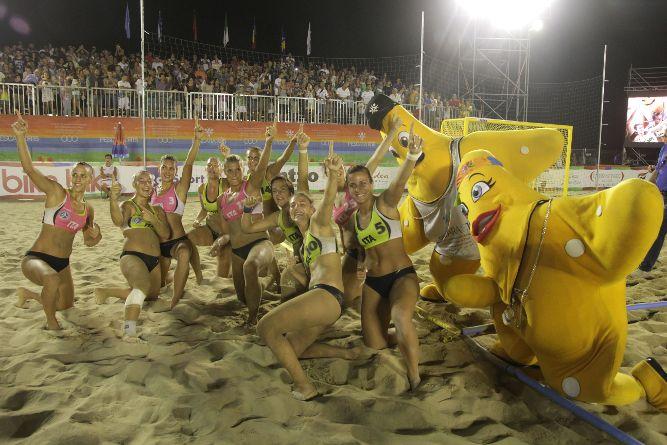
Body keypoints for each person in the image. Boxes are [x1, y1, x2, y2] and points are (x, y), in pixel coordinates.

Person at [257, 153, 360, 401]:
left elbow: (327, 201)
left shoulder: (318, 224)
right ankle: (346, 354)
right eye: (293, 205)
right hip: (325, 301)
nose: (296, 207)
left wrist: (333, 175)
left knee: (265, 328)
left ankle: (305, 387)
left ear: (312, 209)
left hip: (326, 295)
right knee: (291, 350)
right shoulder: (304, 244)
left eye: (302, 203)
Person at [348, 122, 423, 390]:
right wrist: (361, 264)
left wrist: (411, 155)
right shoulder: (355, 219)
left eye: (363, 183)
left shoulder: (384, 203)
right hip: (374, 282)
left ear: (371, 184)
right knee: (374, 344)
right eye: (353, 185)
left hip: (402, 276)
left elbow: (399, 182)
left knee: (401, 317)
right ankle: (406, 337)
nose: (358, 189)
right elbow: (364, 251)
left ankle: (414, 375)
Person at [12, 111, 102, 330]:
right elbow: (29, 169)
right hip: (37, 258)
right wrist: (21, 137)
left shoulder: (88, 209)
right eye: (75, 174)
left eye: (83, 175)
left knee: (65, 304)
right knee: (51, 280)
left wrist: (97, 236)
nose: (78, 178)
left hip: (63, 263)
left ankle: (28, 294)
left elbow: (89, 242)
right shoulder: (57, 193)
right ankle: (52, 323)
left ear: (90, 180)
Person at [210, 121, 277, 326]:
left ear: (242, 170)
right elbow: (227, 231)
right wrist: (220, 241)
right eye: (229, 171)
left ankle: (252, 319)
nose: (234, 174)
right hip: (237, 251)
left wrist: (269, 141)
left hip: (259, 243)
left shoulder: (251, 186)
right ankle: (266, 284)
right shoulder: (221, 199)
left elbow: (262, 167)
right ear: (225, 172)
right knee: (242, 296)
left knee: (251, 266)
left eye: (237, 170)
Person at [334, 114, 402, 309]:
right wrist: (343, 247)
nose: (338, 174)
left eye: (341, 171)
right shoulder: (332, 198)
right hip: (352, 252)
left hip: (370, 249)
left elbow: (377, 156)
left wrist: (392, 131)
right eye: (334, 172)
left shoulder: (355, 188)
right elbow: (342, 228)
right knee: (344, 298)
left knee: (369, 297)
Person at [95, 172, 170, 340]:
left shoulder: (157, 210)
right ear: (134, 184)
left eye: (149, 181)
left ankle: (107, 291)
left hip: (153, 260)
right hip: (133, 255)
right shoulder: (128, 205)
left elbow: (165, 234)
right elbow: (118, 221)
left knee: (150, 296)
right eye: (141, 181)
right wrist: (113, 200)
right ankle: (129, 331)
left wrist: (153, 220)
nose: (146, 184)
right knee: (142, 286)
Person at [239, 130, 311, 301]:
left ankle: (278, 279)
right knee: (286, 279)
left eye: (282, 190)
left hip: (312, 258)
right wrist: (246, 209)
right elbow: (247, 227)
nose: (278, 194)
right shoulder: (249, 180)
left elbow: (301, 178)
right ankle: (277, 279)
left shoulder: (299, 206)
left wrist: (299, 147)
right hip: (275, 224)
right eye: (274, 191)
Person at [152, 118, 202, 308]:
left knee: (184, 253)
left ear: (175, 171)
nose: (167, 171)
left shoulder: (179, 189)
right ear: (159, 169)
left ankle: (174, 300)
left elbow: (188, 164)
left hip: (177, 242)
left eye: (171, 168)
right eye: (164, 167)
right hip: (158, 246)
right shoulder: (152, 193)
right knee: (159, 284)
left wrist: (196, 141)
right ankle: (171, 279)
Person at [187, 142, 232, 280]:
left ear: (221, 168)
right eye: (209, 165)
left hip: (227, 232)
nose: (212, 168)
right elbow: (204, 209)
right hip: (210, 229)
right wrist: (197, 220)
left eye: (215, 165)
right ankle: (198, 273)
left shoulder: (226, 184)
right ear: (205, 169)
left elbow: (236, 173)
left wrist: (227, 156)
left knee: (222, 269)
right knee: (186, 240)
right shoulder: (202, 188)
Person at [639, 143, 667, 271]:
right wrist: (654, 168)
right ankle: (646, 263)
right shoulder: (664, 148)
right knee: (658, 228)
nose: (664, 137)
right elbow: (660, 166)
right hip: (660, 193)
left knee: (660, 229)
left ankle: (647, 264)